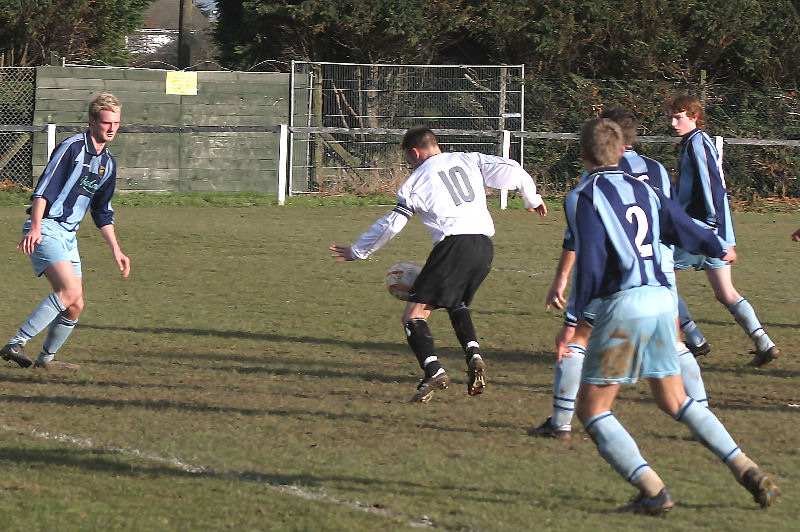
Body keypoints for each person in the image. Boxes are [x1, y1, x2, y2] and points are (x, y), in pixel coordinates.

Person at [558, 117, 778, 515]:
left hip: (623, 306)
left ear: (583, 154)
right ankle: (745, 466)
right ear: (622, 148)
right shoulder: (645, 187)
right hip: (662, 300)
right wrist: (716, 245)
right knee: (676, 400)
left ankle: (653, 491)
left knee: (593, 410)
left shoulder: (583, 195)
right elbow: (680, 225)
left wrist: (574, 322)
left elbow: (591, 260)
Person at [330, 125, 547, 403]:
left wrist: (358, 251)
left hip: (453, 245)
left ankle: (433, 370)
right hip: (483, 246)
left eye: (409, 160)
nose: (410, 165)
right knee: (456, 302)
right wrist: (533, 198)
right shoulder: (469, 159)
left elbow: (392, 224)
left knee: (413, 316)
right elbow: (514, 169)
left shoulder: (415, 182)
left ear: (416, 152)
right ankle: (474, 355)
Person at [531, 107, 710, 440]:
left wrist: (562, 278)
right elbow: (672, 220)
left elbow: (579, 236)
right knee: (675, 342)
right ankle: (701, 412)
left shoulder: (597, 176)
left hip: (615, 277)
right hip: (658, 271)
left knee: (578, 339)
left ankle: (560, 422)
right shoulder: (656, 170)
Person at [1, 92, 131, 371]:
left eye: (116, 123)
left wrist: (116, 250)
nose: (111, 129)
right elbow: (44, 190)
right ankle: (16, 343)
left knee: (75, 305)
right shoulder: (72, 147)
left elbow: (102, 212)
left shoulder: (108, 163)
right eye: (106, 123)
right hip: (46, 227)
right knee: (69, 291)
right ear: (92, 121)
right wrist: (35, 227)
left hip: (68, 236)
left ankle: (46, 360)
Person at [668, 94, 780, 366]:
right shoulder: (691, 143)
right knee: (725, 292)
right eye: (671, 117)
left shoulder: (697, 143)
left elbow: (712, 187)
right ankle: (764, 343)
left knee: (660, 279)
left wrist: (713, 232)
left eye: (679, 117)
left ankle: (694, 339)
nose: (673, 123)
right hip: (707, 231)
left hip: (698, 232)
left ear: (694, 117)